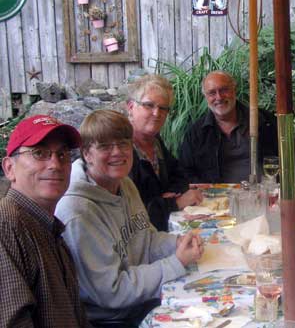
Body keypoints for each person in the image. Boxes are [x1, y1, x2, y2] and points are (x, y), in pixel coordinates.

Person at [55, 110, 204, 328]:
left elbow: (146, 239)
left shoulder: (124, 184)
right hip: (114, 319)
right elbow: (112, 292)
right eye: (105, 146)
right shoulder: (78, 212)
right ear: (87, 154)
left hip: (142, 300)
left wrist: (177, 243)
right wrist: (176, 262)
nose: (117, 152)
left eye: (124, 144)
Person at [0, 114, 90, 327]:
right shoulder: (7, 225)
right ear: (9, 168)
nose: (55, 164)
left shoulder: (49, 226)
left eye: (62, 154)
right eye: (39, 153)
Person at [178, 70, 295, 183]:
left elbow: (293, 156)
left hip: (264, 197)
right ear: (205, 97)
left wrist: (289, 192)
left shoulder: (264, 122)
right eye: (212, 93)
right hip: (218, 201)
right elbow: (185, 171)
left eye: (224, 90)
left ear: (234, 90)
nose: (219, 97)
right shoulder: (196, 133)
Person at [127, 74, 203, 231]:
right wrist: (175, 203)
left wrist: (172, 193)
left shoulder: (154, 141)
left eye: (163, 108)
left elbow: (179, 173)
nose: (157, 113)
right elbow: (131, 212)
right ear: (130, 107)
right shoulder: (122, 150)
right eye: (149, 105)